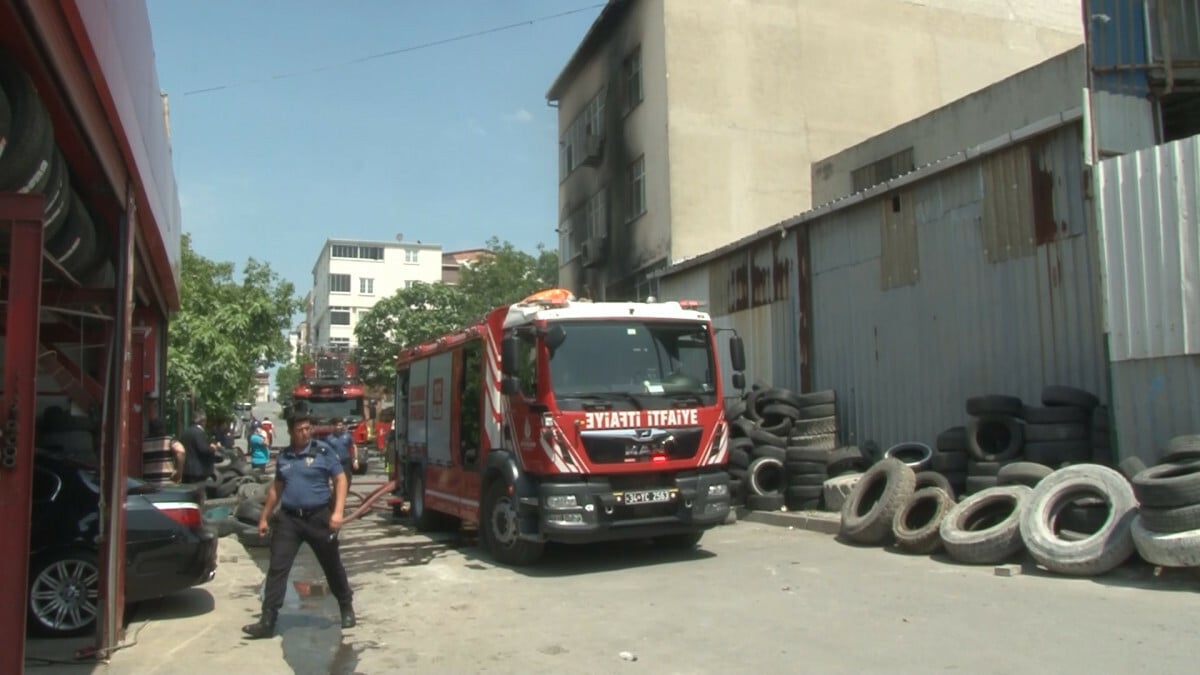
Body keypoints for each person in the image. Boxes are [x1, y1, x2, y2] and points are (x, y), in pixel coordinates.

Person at [241, 408, 355, 639]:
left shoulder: (323, 451)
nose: (305, 433)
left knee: (332, 565)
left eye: (307, 428)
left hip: (319, 517)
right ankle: (268, 619)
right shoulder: (284, 456)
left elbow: (340, 479)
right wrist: (264, 517)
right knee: (277, 568)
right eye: (300, 429)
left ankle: (346, 606)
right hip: (289, 520)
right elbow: (276, 489)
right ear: (291, 432)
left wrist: (338, 512)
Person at [142, 419, 185, 485]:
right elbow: (181, 452)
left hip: (148, 483)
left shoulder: (144, 442)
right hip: (167, 483)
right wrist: (179, 473)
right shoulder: (169, 440)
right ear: (163, 429)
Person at [180, 411, 218, 484]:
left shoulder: (186, 432)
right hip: (198, 471)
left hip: (186, 469)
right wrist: (213, 448)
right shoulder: (199, 432)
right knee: (198, 492)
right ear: (202, 421)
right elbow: (203, 450)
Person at [325, 417, 358, 488]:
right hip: (335, 463)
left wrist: (355, 460)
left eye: (340, 425)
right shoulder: (329, 438)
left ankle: (344, 494)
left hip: (346, 462)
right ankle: (337, 496)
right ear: (333, 426)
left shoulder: (347, 436)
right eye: (337, 425)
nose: (339, 427)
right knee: (337, 481)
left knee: (347, 480)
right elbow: (326, 451)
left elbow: (354, 447)